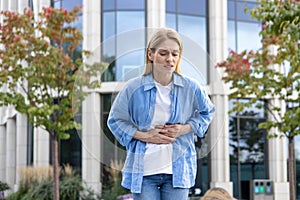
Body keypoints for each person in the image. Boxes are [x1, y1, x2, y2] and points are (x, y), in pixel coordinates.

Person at [107, 28, 215, 200]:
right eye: (163, 53)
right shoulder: (133, 88)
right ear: (150, 54)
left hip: (178, 172)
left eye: (175, 54)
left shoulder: (191, 87)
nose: (170, 59)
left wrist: (184, 129)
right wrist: (144, 136)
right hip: (144, 172)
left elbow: (207, 112)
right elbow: (115, 120)